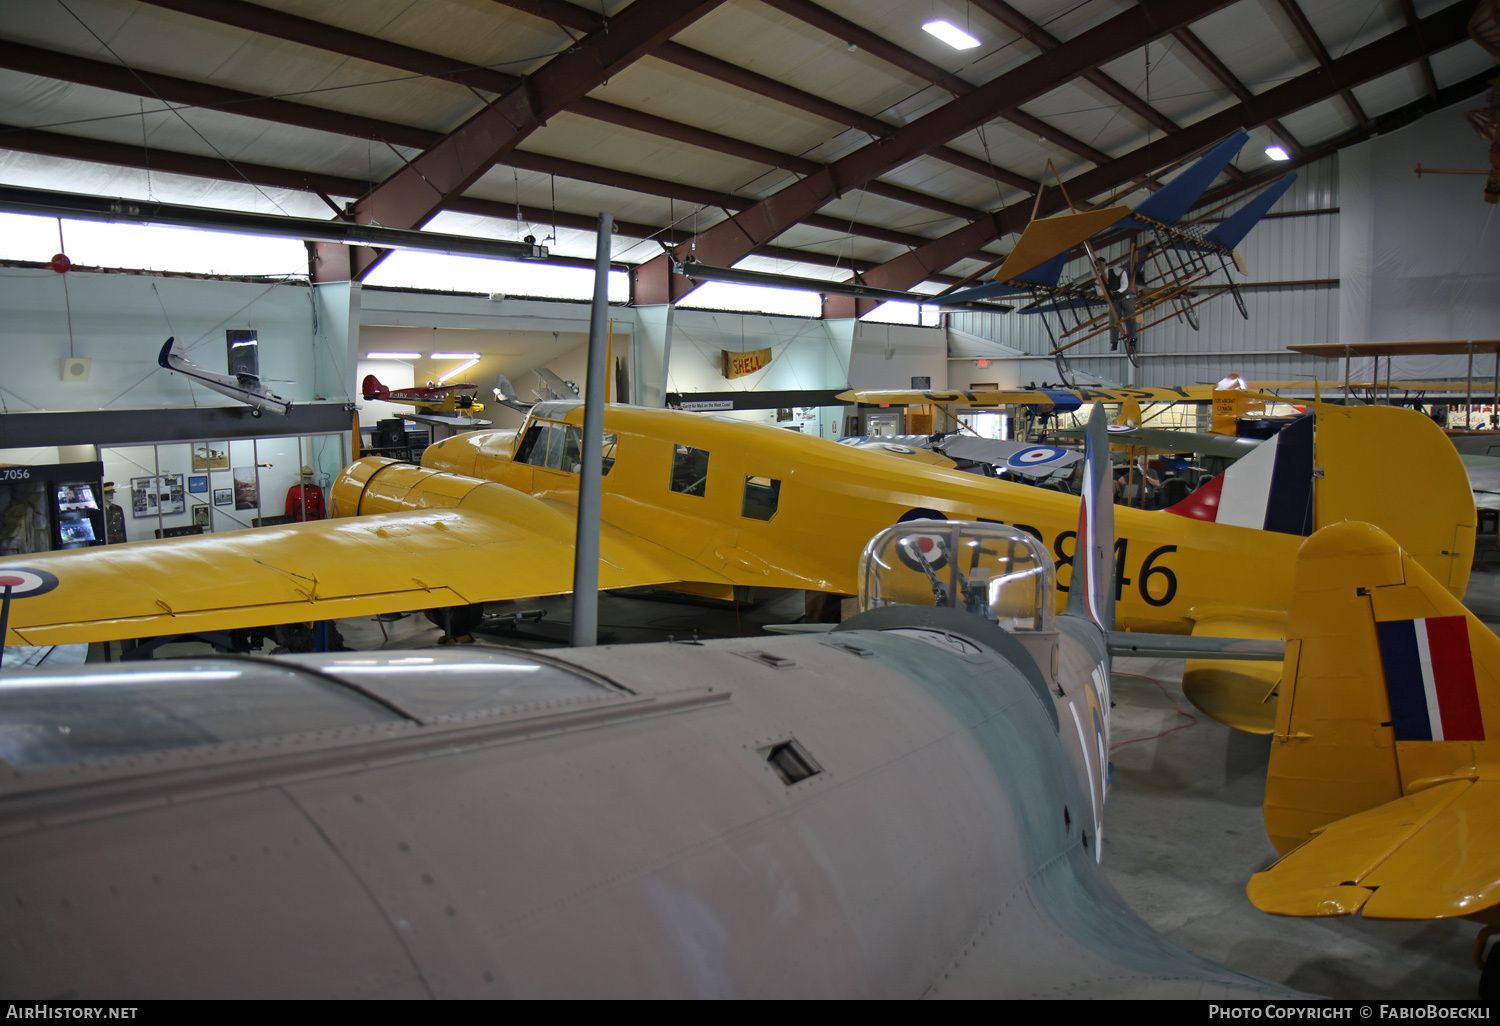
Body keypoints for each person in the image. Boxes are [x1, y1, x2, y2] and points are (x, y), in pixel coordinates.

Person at [1097, 259, 1138, 353]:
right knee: (1113, 321)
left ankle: (1133, 337)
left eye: (1101, 264)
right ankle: (1114, 342)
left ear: (1104, 264)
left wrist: (1117, 292)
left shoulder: (1116, 271)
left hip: (1126, 297)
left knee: (1130, 317)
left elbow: (1125, 285)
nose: (1099, 267)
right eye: (1097, 265)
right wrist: (1105, 290)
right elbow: (1099, 292)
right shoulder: (1098, 279)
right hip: (1114, 300)